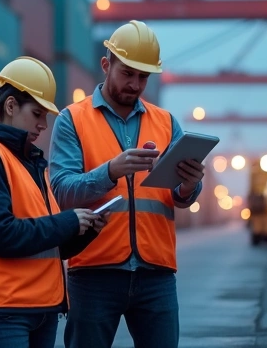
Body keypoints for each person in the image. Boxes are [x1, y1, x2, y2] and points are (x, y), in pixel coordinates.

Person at [49, 20, 205, 348]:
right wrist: (110, 171)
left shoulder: (165, 122)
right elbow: (61, 192)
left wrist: (189, 187)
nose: (135, 84)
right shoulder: (72, 119)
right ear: (106, 65)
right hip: (94, 273)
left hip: (156, 273)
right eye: (128, 73)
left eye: (143, 77)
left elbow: (178, 196)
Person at [0, 56, 108, 348]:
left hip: (42, 309)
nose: (44, 125)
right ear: (11, 106)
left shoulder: (32, 164)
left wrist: (86, 228)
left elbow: (48, 244)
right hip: (3, 312)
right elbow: (1, 235)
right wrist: (67, 221)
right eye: (38, 114)